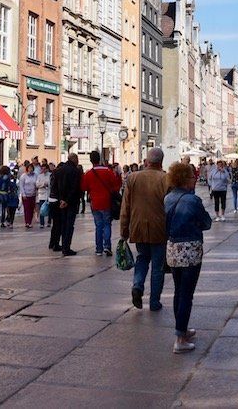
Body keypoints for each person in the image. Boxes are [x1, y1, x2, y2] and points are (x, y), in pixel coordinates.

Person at [164, 162, 212, 353]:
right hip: (190, 250)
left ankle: (181, 330)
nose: (195, 179)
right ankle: (179, 339)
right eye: (192, 177)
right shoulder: (193, 200)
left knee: (178, 291)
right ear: (185, 179)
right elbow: (206, 223)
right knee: (186, 294)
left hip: (173, 249)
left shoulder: (168, 198)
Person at [120, 147, 168, 312]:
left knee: (142, 259)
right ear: (161, 162)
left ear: (147, 161)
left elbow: (125, 207)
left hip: (138, 226)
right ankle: (154, 302)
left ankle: (137, 286)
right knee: (158, 267)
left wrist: (124, 230)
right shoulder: (166, 179)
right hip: (159, 228)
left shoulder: (133, 178)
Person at [81, 150, 122, 256]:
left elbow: (84, 187)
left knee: (98, 225)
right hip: (107, 202)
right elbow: (116, 185)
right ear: (99, 159)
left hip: (95, 203)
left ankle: (99, 249)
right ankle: (107, 246)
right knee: (107, 224)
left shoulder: (89, 173)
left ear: (91, 160)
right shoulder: (108, 171)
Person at [57, 154, 83, 256]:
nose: (78, 161)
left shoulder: (60, 170)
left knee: (63, 224)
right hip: (71, 202)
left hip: (62, 201)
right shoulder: (75, 171)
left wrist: (61, 200)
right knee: (69, 225)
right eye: (77, 159)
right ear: (74, 159)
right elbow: (75, 188)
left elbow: (58, 186)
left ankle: (63, 245)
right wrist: (67, 200)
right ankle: (66, 247)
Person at [0, 166, 15, 230]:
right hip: (4, 194)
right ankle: (2, 222)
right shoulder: (7, 177)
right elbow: (8, 186)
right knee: (3, 209)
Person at [19, 163, 39, 228]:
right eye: (29, 168)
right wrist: (23, 194)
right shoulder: (23, 176)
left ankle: (30, 222)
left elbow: (37, 183)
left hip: (33, 194)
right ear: (27, 169)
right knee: (27, 209)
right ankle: (27, 222)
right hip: (26, 195)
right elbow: (21, 186)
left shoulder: (35, 175)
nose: (30, 169)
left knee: (32, 209)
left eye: (31, 168)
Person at [36, 164, 51, 229]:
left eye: (45, 169)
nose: (43, 170)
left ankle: (49, 222)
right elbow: (37, 184)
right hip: (41, 194)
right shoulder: (39, 176)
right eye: (42, 169)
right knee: (41, 209)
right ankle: (42, 223)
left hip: (48, 194)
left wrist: (47, 184)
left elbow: (51, 183)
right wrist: (43, 184)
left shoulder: (50, 175)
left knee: (49, 209)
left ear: (47, 169)